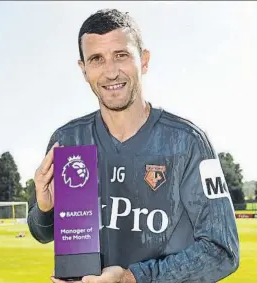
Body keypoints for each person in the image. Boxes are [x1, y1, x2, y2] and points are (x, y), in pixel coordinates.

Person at [27, 8, 239, 283]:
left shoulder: (189, 142)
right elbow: (42, 233)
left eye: (121, 55)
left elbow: (223, 251)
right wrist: (45, 209)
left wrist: (132, 278)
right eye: (96, 59)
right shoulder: (68, 141)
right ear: (83, 70)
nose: (111, 72)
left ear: (145, 60)